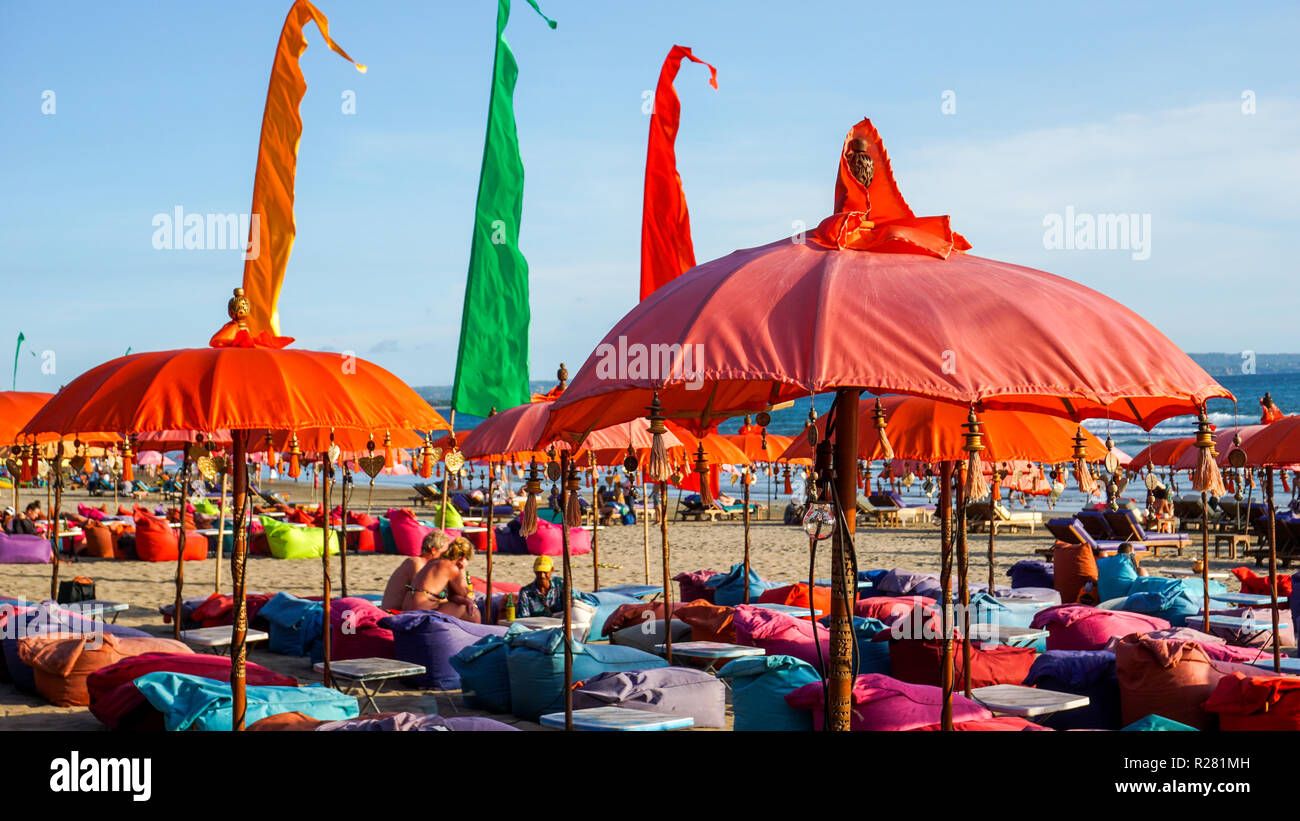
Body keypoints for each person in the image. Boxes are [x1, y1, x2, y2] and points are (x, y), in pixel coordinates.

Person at [401, 537, 479, 621]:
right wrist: (462, 570)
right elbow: (465, 593)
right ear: (463, 558)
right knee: (471, 613)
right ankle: (476, 633)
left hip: (408, 607)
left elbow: (452, 597)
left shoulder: (434, 562)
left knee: (462, 605)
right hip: (422, 611)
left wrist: (467, 601)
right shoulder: (451, 568)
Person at [380, 530, 450, 610]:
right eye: (444, 553)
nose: (446, 557)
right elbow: (422, 594)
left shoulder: (426, 566)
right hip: (393, 614)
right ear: (433, 550)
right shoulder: (416, 563)